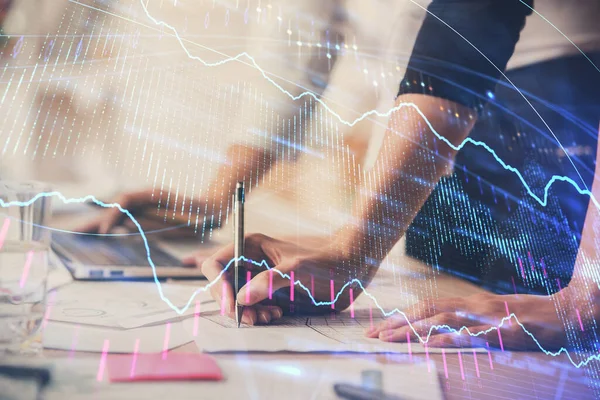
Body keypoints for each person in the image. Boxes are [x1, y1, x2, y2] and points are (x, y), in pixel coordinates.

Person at [194, 0, 600, 354]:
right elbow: (300, 22)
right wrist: (352, 251)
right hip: (454, 118)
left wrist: (588, 297)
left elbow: (475, 15)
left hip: (559, 111)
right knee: (444, 319)